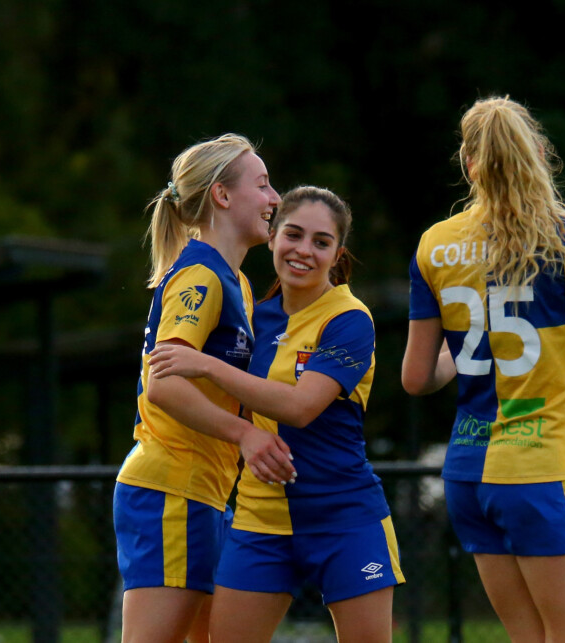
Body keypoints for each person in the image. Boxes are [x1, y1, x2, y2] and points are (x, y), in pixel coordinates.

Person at [402, 96, 565, 643]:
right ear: (537, 155)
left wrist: (476, 347)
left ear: (468, 162)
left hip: (468, 471)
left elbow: (415, 378)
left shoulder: (435, 243)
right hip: (539, 465)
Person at [149, 186, 404, 643]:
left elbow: (300, 408)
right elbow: (174, 382)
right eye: (293, 235)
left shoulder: (350, 318)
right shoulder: (252, 316)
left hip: (346, 517)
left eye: (321, 242)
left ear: (337, 253)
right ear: (272, 239)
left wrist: (208, 364)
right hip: (259, 519)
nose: (304, 250)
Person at [114, 134, 296, 643]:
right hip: (172, 488)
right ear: (222, 195)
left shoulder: (233, 281)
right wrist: (245, 434)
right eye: (261, 185)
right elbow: (163, 385)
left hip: (205, 494)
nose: (274, 198)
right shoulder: (201, 276)